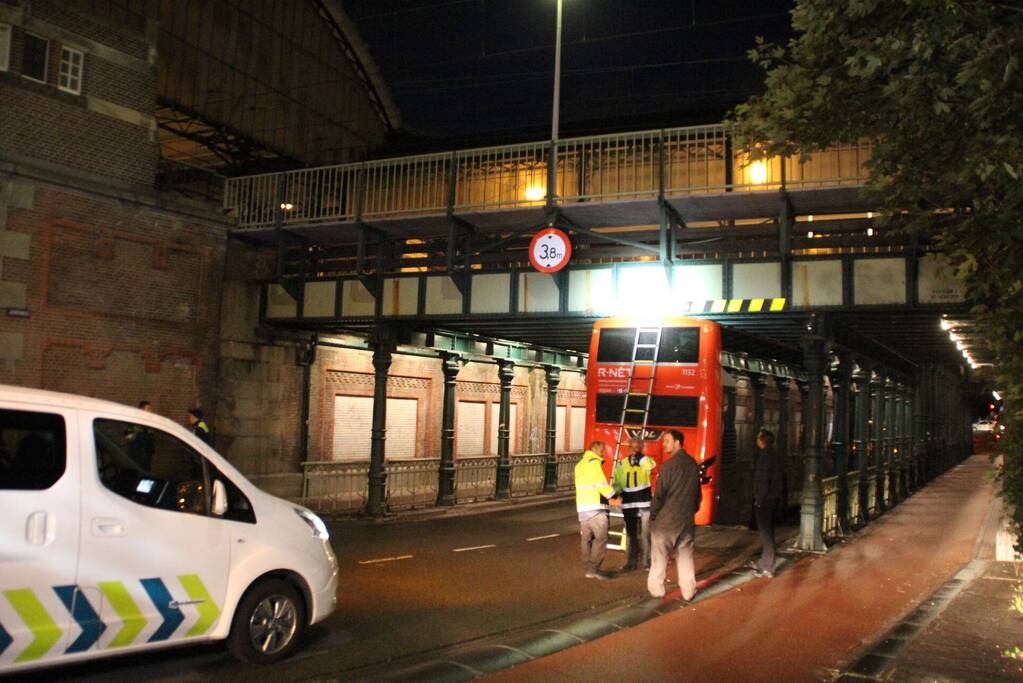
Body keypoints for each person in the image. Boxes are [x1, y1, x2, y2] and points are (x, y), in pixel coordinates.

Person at [647, 429, 702, 600]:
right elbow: (697, 495)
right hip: (686, 519)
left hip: (666, 521)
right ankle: (688, 591)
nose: (663, 444)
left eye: (667, 441)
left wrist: (653, 514)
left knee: (659, 556)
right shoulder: (693, 464)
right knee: (685, 556)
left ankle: (657, 589)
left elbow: (659, 494)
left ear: (677, 443)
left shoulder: (668, 466)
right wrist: (691, 511)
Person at [575, 440, 618, 580]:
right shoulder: (593, 463)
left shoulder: (579, 464)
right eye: (602, 450)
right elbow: (601, 484)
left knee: (586, 539)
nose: (603, 453)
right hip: (596, 508)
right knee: (601, 539)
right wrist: (613, 495)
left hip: (582, 508)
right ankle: (594, 569)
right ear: (595, 449)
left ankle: (588, 566)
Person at [612, 436, 656, 572]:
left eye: (638, 447)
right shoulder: (621, 464)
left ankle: (647, 562)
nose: (635, 450)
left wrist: (638, 455)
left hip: (644, 504)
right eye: (632, 447)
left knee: (645, 535)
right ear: (629, 447)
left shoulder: (646, 461)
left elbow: (650, 466)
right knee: (631, 536)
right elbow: (617, 483)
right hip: (629, 504)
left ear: (642, 448)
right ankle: (631, 562)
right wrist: (616, 493)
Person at [751, 429, 785, 578]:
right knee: (769, 531)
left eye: (758, 437)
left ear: (762, 440)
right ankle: (765, 562)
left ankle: (768, 567)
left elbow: (763, 480)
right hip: (774, 499)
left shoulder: (764, 456)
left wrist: (758, 499)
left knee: (765, 533)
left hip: (765, 500)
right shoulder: (776, 455)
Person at [125, 400, 156, 470]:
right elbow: (128, 437)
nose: (151, 411)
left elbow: (152, 437)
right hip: (136, 453)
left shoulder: (150, 423)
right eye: (148, 409)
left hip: (147, 454)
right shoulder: (133, 422)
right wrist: (135, 432)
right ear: (142, 410)